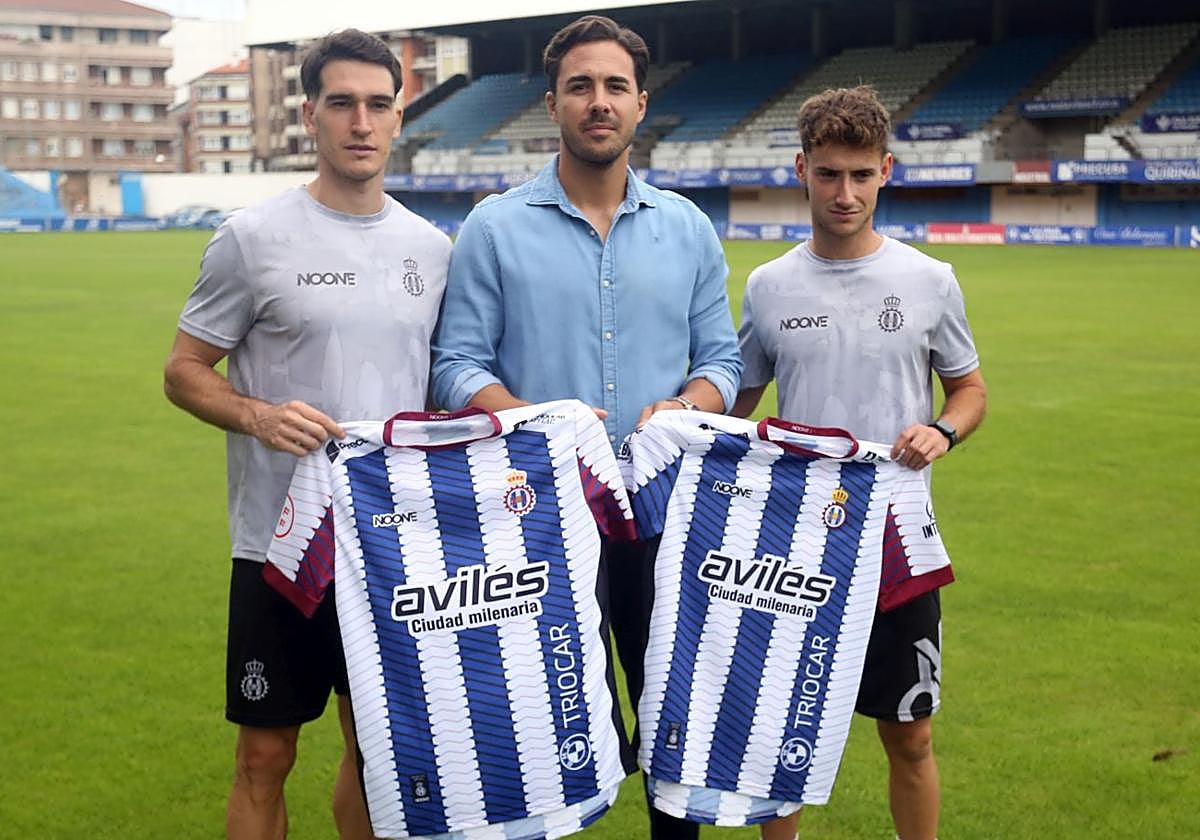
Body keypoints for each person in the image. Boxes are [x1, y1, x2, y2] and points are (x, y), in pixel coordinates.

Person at [430, 15, 741, 840]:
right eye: (579, 86)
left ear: (641, 103)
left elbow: (723, 363)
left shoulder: (689, 229)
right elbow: (456, 364)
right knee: (528, 728)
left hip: (666, 522)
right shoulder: (494, 227)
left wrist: (688, 406)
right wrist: (534, 423)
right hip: (535, 526)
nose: (597, 103)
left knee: (673, 719)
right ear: (552, 104)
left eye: (613, 87)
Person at [163, 29, 451, 840]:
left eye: (378, 105)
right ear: (310, 116)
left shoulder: (432, 251)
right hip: (276, 546)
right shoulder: (251, 240)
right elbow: (183, 369)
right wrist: (258, 414)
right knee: (265, 755)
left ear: (399, 118)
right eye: (341, 103)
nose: (361, 121)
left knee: (380, 752)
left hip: (391, 549)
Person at [733, 85, 988, 840]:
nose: (845, 193)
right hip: (792, 550)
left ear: (886, 171)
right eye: (829, 174)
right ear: (800, 169)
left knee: (910, 735)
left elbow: (970, 389)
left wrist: (942, 429)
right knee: (782, 738)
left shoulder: (929, 280)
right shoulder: (769, 286)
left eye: (861, 175)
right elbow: (735, 406)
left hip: (896, 545)